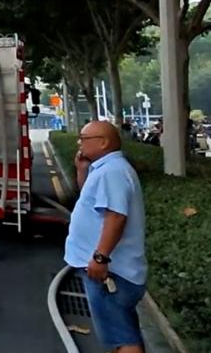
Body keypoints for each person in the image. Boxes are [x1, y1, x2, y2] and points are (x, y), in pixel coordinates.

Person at [65, 121, 147, 353]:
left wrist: (100, 258)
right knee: (120, 332)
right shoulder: (104, 169)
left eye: (83, 138)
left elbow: (116, 217)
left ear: (103, 142)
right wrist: (82, 170)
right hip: (111, 270)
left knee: (124, 339)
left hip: (112, 272)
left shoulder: (113, 172)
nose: (79, 142)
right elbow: (91, 202)